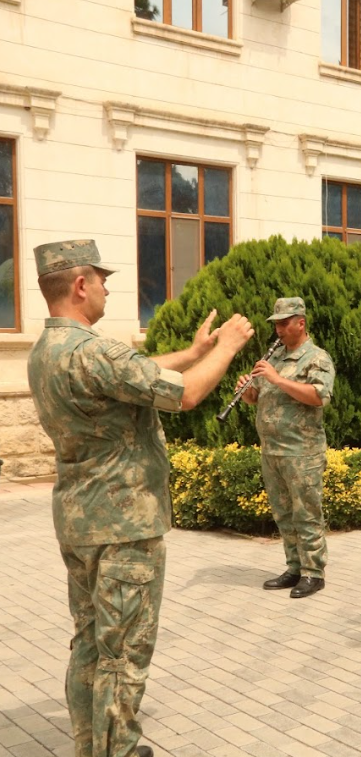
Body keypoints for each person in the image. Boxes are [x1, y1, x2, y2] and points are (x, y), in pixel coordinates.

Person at [27, 239, 254, 757]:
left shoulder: (50, 352)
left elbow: (133, 372)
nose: (107, 287)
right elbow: (185, 394)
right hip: (124, 528)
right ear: (80, 285)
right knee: (123, 653)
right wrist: (227, 348)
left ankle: (89, 746)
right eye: (102, 279)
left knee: (88, 641)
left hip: (80, 522)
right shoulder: (92, 351)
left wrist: (195, 351)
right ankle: (120, 750)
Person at [240, 297, 335, 599]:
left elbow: (318, 397)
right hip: (272, 450)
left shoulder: (317, 358)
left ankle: (313, 572)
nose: (278, 329)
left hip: (301, 451)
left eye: (283, 323)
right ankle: (294, 567)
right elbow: (257, 397)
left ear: (300, 322)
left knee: (306, 513)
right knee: (283, 514)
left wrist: (277, 379)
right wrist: (245, 391)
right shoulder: (276, 357)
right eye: (276, 324)